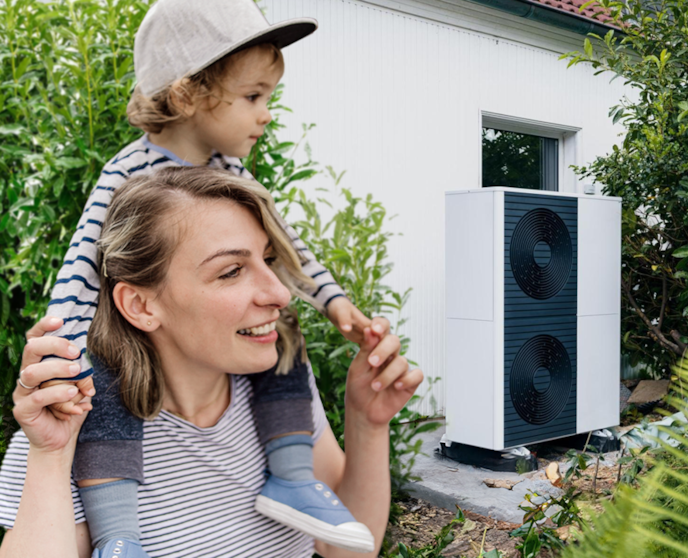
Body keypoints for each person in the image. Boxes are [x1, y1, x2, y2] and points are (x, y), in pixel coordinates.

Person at [38, 0, 382, 556]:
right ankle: (119, 535)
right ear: (187, 94)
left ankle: (293, 477)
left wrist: (335, 303)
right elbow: (80, 269)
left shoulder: (232, 172)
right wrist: (62, 354)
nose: (265, 114)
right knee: (103, 389)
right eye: (252, 97)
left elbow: (290, 252)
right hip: (134, 348)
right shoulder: (125, 173)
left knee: (284, 331)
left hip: (206, 355)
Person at [0, 167, 424, 558]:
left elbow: (345, 551)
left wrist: (367, 423)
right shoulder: (67, 436)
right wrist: (51, 456)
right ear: (141, 304)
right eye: (231, 271)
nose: (280, 293)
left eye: (268, 260)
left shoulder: (282, 394)